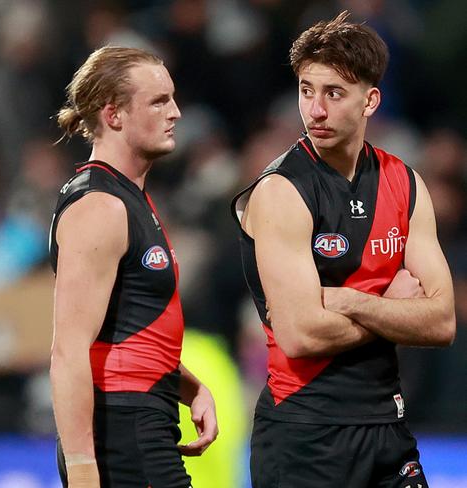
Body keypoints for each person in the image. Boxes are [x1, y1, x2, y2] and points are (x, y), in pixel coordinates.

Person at [231, 11, 455, 488]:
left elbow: (442, 322)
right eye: (306, 91)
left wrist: (354, 302)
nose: (315, 110)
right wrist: (394, 309)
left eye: (333, 93)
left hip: (387, 428)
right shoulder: (281, 191)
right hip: (304, 434)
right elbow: (301, 336)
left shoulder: (406, 183)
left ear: (370, 100)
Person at [49, 46, 218, 488]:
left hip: (141, 425)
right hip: (122, 437)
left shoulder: (125, 197)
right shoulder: (100, 206)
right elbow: (68, 351)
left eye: (173, 98)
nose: (176, 113)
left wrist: (191, 388)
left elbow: (122, 329)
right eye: (159, 101)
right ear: (114, 114)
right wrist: (84, 467)